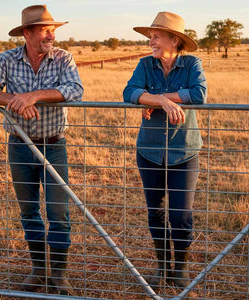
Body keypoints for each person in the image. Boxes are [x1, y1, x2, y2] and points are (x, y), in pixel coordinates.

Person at [0, 4, 83, 295]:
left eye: (54, 30)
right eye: (46, 30)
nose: (52, 35)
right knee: (28, 211)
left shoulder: (63, 58)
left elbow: (75, 89)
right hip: (20, 146)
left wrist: (33, 96)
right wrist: (14, 99)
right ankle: (38, 269)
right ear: (27, 33)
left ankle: (58, 275)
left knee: (59, 212)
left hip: (54, 145)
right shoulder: (7, 59)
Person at [123, 12, 207, 289]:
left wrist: (157, 100)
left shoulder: (192, 63)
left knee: (180, 214)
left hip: (185, 151)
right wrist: (163, 100)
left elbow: (197, 95)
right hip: (149, 150)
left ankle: (180, 268)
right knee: (155, 211)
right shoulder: (145, 64)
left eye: (156, 36)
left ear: (175, 39)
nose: (151, 41)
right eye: (150, 37)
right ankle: (162, 266)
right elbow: (130, 92)